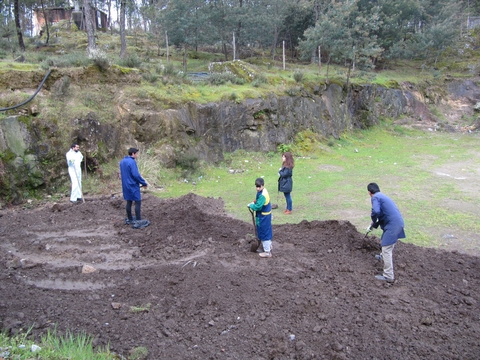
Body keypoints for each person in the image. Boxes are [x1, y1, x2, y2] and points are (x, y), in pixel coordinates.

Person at [367, 182, 406, 283]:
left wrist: (373, 220)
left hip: (393, 225)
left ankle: (388, 276)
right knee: (387, 241)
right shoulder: (383, 197)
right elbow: (382, 214)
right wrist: (373, 225)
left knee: (386, 247)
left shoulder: (375, 197)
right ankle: (382, 256)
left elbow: (376, 212)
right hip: (397, 222)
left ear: (369, 192)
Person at [119, 148, 148, 224]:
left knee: (129, 201)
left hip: (125, 185)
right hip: (133, 185)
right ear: (133, 154)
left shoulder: (122, 162)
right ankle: (138, 219)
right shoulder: (132, 162)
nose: (137, 155)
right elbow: (135, 174)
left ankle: (130, 218)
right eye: (136, 154)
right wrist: (143, 183)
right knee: (137, 202)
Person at [248, 178, 273, 258]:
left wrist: (251, 205)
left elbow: (258, 207)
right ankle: (269, 246)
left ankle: (267, 252)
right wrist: (255, 202)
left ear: (263, 185)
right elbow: (259, 202)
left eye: (259, 187)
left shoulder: (262, 195)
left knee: (264, 233)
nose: (258, 188)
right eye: (257, 186)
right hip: (264, 215)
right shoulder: (262, 191)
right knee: (266, 231)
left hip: (263, 217)